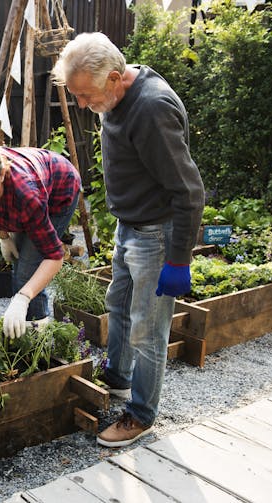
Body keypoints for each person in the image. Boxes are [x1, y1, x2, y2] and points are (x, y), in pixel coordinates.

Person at [52, 32, 205, 447]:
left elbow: (189, 192)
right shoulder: (113, 94)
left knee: (148, 330)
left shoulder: (151, 109)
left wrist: (178, 260)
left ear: (117, 78)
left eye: (86, 96)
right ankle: (116, 379)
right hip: (129, 226)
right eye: (75, 95)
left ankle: (141, 415)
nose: (83, 105)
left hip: (156, 235)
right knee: (116, 305)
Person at [0, 140, 81, 339]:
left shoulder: (26, 196)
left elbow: (55, 256)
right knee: (21, 265)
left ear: (1, 175)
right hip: (34, 183)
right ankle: (23, 327)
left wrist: (22, 298)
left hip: (60, 187)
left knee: (26, 272)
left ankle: (37, 335)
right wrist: (4, 236)